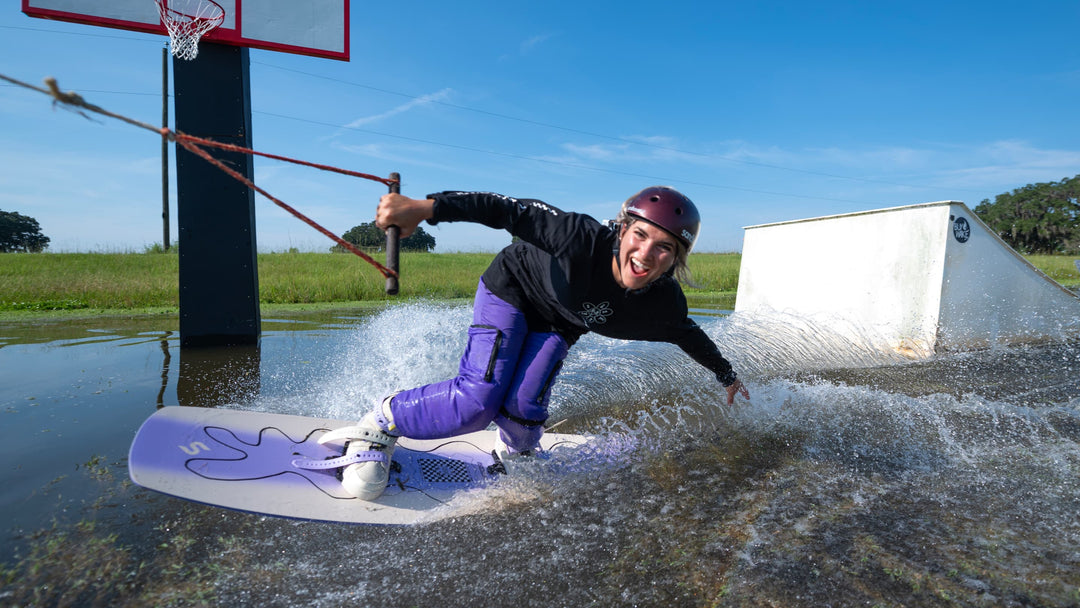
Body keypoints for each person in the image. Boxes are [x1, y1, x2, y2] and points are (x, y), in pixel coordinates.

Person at [317, 186, 750, 500]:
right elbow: (507, 209)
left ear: (676, 260)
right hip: (514, 287)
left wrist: (727, 376)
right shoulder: (579, 238)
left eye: (664, 248)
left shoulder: (662, 305)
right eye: (639, 235)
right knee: (477, 402)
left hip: (559, 321)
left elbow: (689, 335)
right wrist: (425, 208)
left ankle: (514, 451)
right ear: (622, 230)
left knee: (524, 420)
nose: (645, 254)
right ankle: (381, 422)